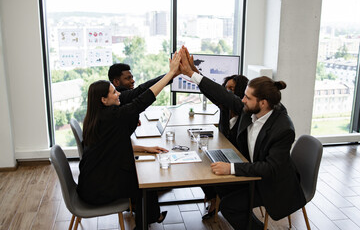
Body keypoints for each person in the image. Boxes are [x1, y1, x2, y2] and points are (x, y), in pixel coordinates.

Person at [179, 46, 306, 230]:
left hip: (272, 183)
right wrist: (192, 73)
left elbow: (270, 168)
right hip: (254, 172)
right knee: (219, 186)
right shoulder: (252, 109)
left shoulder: (283, 129)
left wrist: (230, 168)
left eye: (247, 97)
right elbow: (222, 94)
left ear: (263, 102)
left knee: (229, 206)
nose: (242, 100)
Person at [77, 50, 182, 230]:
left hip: (92, 181)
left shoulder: (98, 114)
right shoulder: (111, 115)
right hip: (98, 189)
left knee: (144, 177)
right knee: (146, 183)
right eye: (113, 92)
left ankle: (148, 218)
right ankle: (144, 223)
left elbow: (140, 91)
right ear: (104, 99)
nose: (118, 93)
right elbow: (141, 101)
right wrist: (171, 74)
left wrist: (170, 75)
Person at [201, 74, 249, 220]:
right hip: (226, 154)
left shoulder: (245, 113)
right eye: (225, 88)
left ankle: (218, 199)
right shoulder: (225, 108)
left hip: (240, 163)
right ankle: (213, 197)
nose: (227, 92)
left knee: (209, 169)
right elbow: (211, 91)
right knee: (202, 163)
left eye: (231, 89)